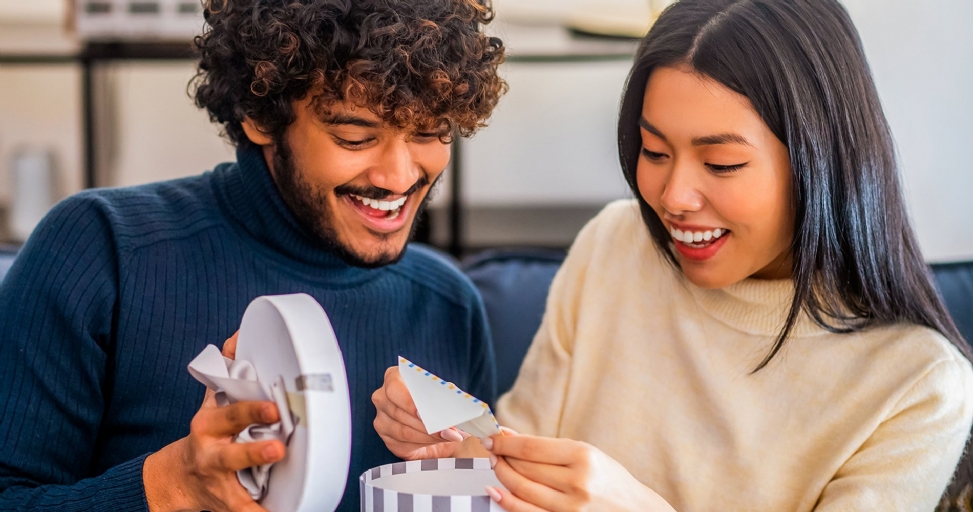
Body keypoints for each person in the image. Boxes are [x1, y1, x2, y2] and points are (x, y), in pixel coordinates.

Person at [371, 0, 973, 510]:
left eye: (722, 164)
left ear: (820, 160)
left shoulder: (920, 387)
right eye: (654, 152)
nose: (672, 197)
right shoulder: (616, 243)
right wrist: (462, 442)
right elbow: (516, 461)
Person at [0, 0, 505, 511]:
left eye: (431, 133)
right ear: (262, 115)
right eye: (355, 137)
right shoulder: (100, 250)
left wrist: (473, 481)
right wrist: (172, 485)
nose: (398, 177)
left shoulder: (449, 306)